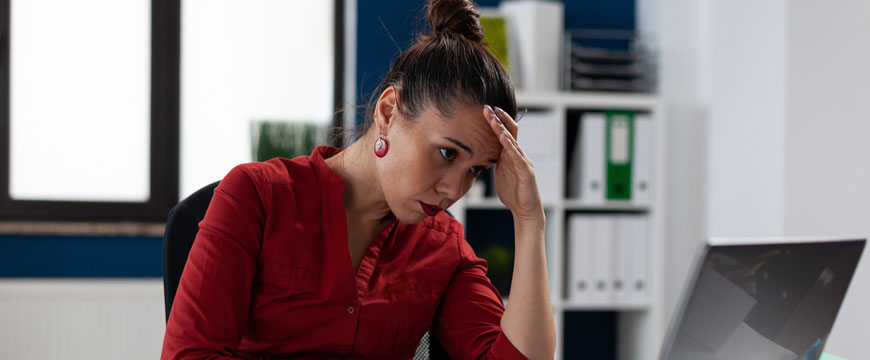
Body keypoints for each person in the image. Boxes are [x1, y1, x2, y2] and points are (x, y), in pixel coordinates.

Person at [161, 0, 556, 358]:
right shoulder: (257, 197)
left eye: (475, 170)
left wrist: (529, 221)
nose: (453, 190)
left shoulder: (444, 248)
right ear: (388, 112)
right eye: (446, 153)